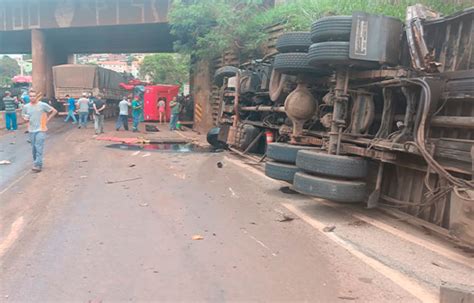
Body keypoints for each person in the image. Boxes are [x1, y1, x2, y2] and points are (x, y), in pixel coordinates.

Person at [21, 91, 58, 172]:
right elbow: (23, 116)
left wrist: (47, 120)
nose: (32, 97)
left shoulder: (42, 105)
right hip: (31, 130)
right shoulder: (26, 107)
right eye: (30, 96)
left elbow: (54, 111)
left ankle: (38, 165)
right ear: (29, 97)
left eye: (34, 96)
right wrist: (25, 119)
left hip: (41, 129)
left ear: (36, 97)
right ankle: (36, 162)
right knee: (34, 148)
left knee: (38, 147)